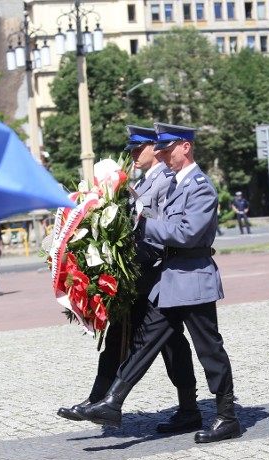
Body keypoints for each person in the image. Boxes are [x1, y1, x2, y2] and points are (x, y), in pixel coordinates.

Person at [77, 122, 242, 444]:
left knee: (210, 350)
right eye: (161, 152)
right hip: (168, 281)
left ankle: (226, 416)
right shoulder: (176, 184)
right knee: (144, 343)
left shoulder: (200, 186)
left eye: (168, 150)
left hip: (193, 279)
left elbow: (186, 233)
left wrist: (141, 224)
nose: (164, 156)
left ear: (185, 147)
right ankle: (113, 402)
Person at [58, 125, 198, 434]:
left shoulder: (166, 181)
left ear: (154, 148)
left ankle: (111, 402)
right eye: (131, 149)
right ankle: (100, 400)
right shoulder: (143, 181)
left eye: (139, 148)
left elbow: (161, 230)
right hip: (137, 274)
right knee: (156, 341)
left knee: (164, 342)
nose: (133, 154)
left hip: (154, 274)